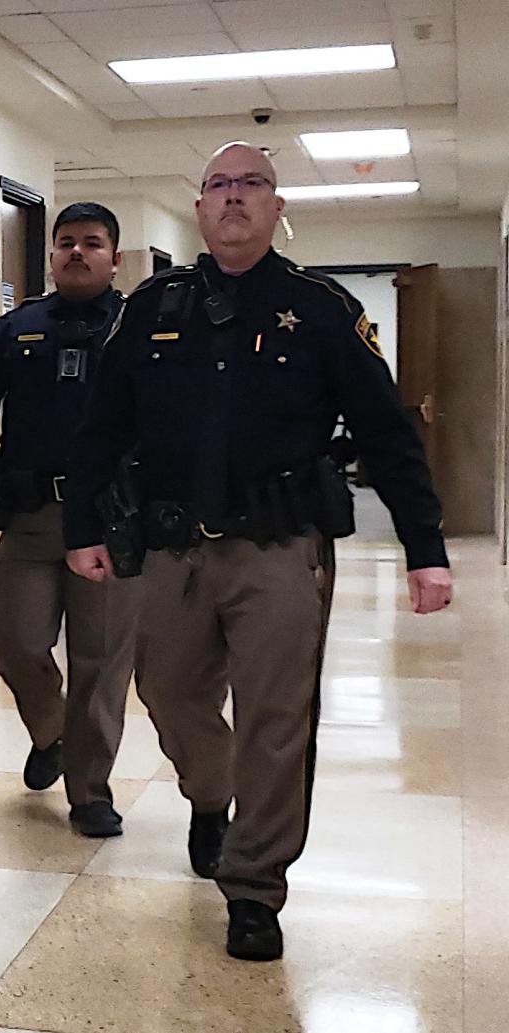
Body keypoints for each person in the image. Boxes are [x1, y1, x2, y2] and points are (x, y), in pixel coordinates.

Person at [64, 142, 453, 962]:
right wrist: (83, 528)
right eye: (218, 185)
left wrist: (425, 546)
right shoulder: (153, 304)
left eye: (252, 185)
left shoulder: (319, 308)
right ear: (199, 209)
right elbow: (102, 423)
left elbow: (387, 432)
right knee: (166, 691)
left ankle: (255, 887)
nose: (234, 197)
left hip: (279, 547)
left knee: (276, 718)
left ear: (278, 209)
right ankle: (213, 793)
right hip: (171, 546)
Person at [0, 203, 140, 839]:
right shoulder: (17, 328)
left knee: (101, 660)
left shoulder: (139, 329)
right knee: (10, 639)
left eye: (92, 244)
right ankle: (50, 730)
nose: (76, 254)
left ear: (115, 257)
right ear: (51, 255)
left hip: (113, 523)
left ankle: (90, 791)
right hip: (32, 517)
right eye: (65, 244)